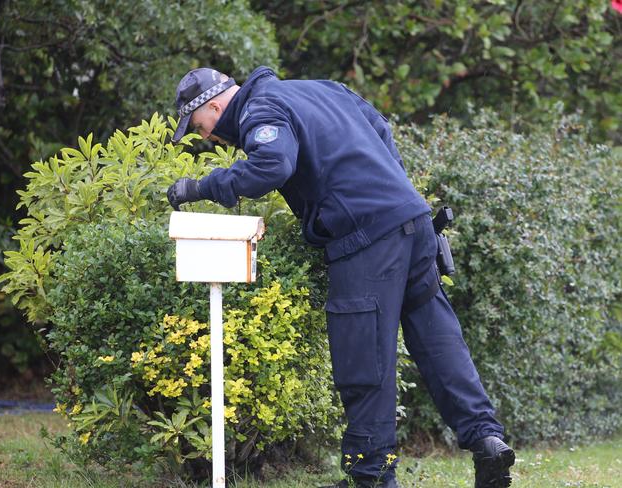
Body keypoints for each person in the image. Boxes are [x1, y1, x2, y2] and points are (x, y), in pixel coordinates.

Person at [166, 66, 516, 488]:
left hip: (366, 239)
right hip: (413, 222)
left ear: (215, 105)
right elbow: (382, 131)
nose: (207, 137)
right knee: (437, 338)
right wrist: (396, 198)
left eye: (201, 126)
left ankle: (370, 478)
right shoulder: (320, 89)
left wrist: (201, 187)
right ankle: (487, 440)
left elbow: (272, 164)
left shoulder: (260, 109)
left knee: (361, 357)